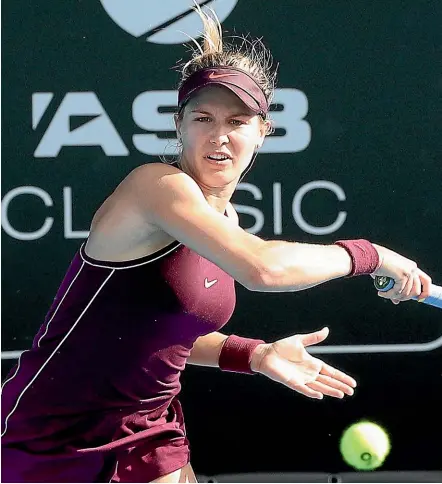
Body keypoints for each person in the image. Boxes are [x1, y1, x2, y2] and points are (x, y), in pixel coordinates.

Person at [1, 6, 432, 483]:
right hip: (52, 437)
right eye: (203, 117)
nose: (219, 135)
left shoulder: (224, 220)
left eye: (238, 121)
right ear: (179, 124)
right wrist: (371, 256)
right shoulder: (155, 186)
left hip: (150, 432)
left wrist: (255, 355)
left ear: (263, 132)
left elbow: (159, 335)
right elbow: (263, 269)